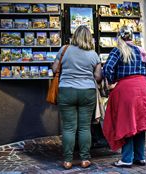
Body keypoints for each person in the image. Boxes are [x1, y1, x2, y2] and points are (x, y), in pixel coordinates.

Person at [102, 26, 146, 168]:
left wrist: (111, 81)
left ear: (119, 37)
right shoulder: (141, 51)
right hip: (143, 90)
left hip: (126, 90)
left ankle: (126, 159)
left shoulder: (117, 51)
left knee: (127, 123)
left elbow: (107, 69)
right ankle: (140, 157)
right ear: (132, 37)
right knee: (140, 124)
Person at [52, 25, 102, 169]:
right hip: (87, 92)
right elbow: (98, 77)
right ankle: (85, 159)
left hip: (66, 90)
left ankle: (68, 161)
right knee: (84, 127)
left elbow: (55, 69)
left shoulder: (64, 50)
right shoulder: (93, 55)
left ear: (74, 36)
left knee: (68, 128)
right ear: (88, 38)